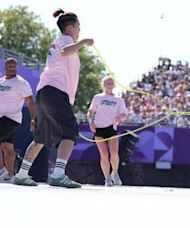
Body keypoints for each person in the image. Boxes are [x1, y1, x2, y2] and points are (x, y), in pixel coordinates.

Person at [13, 8, 94, 187]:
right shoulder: (65, 41)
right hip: (55, 92)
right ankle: (58, 174)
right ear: (71, 27)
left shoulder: (57, 42)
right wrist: (83, 42)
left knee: (41, 137)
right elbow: (66, 51)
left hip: (45, 92)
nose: (80, 30)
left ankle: (21, 173)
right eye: (78, 26)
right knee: (70, 132)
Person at [87, 76, 128, 187]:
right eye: (106, 83)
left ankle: (115, 173)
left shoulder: (119, 100)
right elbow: (90, 111)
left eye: (111, 83)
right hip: (99, 128)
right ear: (103, 85)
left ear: (114, 85)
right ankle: (107, 178)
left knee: (114, 153)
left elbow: (124, 114)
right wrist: (91, 122)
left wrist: (120, 118)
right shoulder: (98, 97)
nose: (109, 85)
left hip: (111, 127)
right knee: (104, 154)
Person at [0, 58, 36, 183]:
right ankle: (10, 175)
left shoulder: (21, 83)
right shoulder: (1, 81)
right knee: (7, 147)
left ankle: (1, 170)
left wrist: (33, 119)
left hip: (12, 118)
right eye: (9, 66)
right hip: (1, 117)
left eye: (14, 66)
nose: (12, 68)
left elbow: (31, 102)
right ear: (5, 68)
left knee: (6, 147)